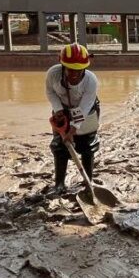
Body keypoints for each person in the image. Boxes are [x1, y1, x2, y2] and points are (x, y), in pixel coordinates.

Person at [46, 42, 101, 193]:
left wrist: (73, 129)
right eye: (70, 69)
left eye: (79, 70)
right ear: (62, 65)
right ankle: (59, 184)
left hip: (87, 111)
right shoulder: (53, 74)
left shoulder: (91, 80)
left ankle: (88, 181)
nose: (74, 74)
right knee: (59, 146)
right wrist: (58, 110)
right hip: (62, 110)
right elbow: (50, 92)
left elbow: (85, 107)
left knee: (88, 146)